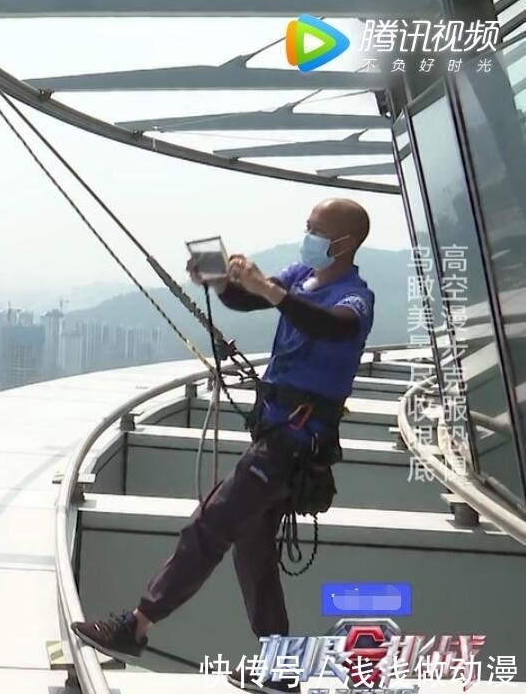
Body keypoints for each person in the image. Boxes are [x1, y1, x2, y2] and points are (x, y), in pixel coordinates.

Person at [69, 198, 375, 694]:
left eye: (315, 229)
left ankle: (137, 625)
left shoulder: (354, 297)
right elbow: (249, 300)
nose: (307, 235)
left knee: (210, 525)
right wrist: (221, 281)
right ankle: (282, 667)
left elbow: (330, 326)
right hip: (278, 435)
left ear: (342, 243)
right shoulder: (302, 274)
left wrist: (266, 287)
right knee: (252, 551)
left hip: (294, 444)